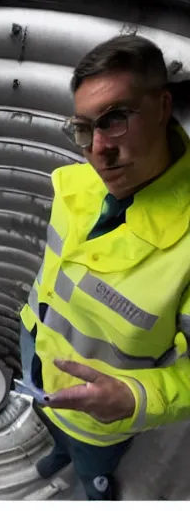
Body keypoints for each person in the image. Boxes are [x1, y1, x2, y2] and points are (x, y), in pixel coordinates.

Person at [15, 34, 190, 500]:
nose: (97, 150)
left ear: (162, 106)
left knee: (91, 455)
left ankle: (94, 481)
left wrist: (133, 399)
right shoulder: (78, 185)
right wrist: (30, 336)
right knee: (53, 424)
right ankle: (61, 452)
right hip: (36, 355)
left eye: (115, 120)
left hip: (101, 408)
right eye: (84, 128)